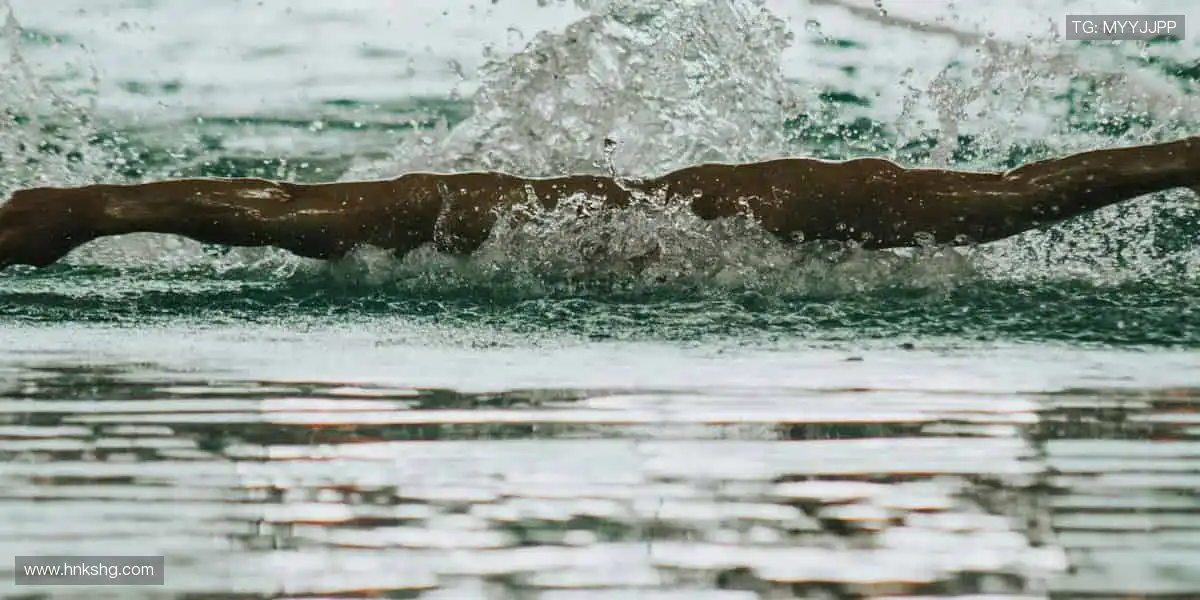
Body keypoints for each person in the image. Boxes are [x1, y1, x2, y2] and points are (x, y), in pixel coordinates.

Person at [0, 136, 1197, 270]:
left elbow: (1023, 196)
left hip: (760, 206)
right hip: (509, 211)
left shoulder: (821, 207)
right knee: (312, 219)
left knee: (1001, 204)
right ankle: (80, 210)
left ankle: (82, 209)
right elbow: (1026, 194)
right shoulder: (825, 207)